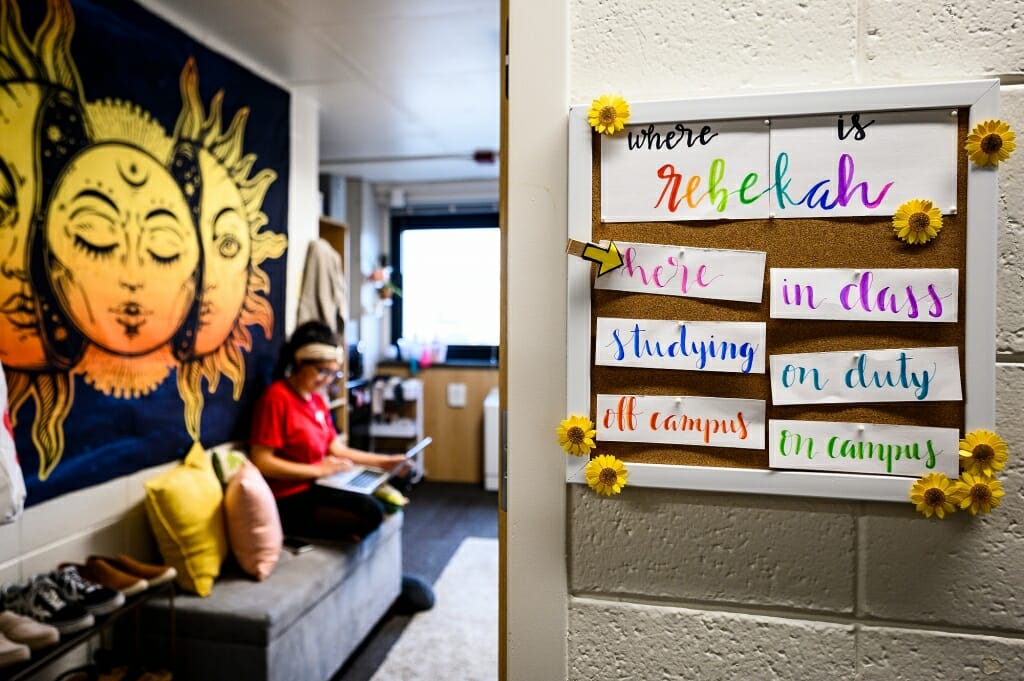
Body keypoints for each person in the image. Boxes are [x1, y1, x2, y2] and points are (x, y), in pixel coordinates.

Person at [249, 321, 409, 541]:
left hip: (321, 483)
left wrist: (384, 461)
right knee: (371, 513)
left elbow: (336, 449)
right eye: (321, 371)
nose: (327, 380)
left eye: (333, 374)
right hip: (289, 497)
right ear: (299, 361)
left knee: (388, 494)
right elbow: (262, 461)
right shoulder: (276, 399)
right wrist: (318, 470)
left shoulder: (317, 399)